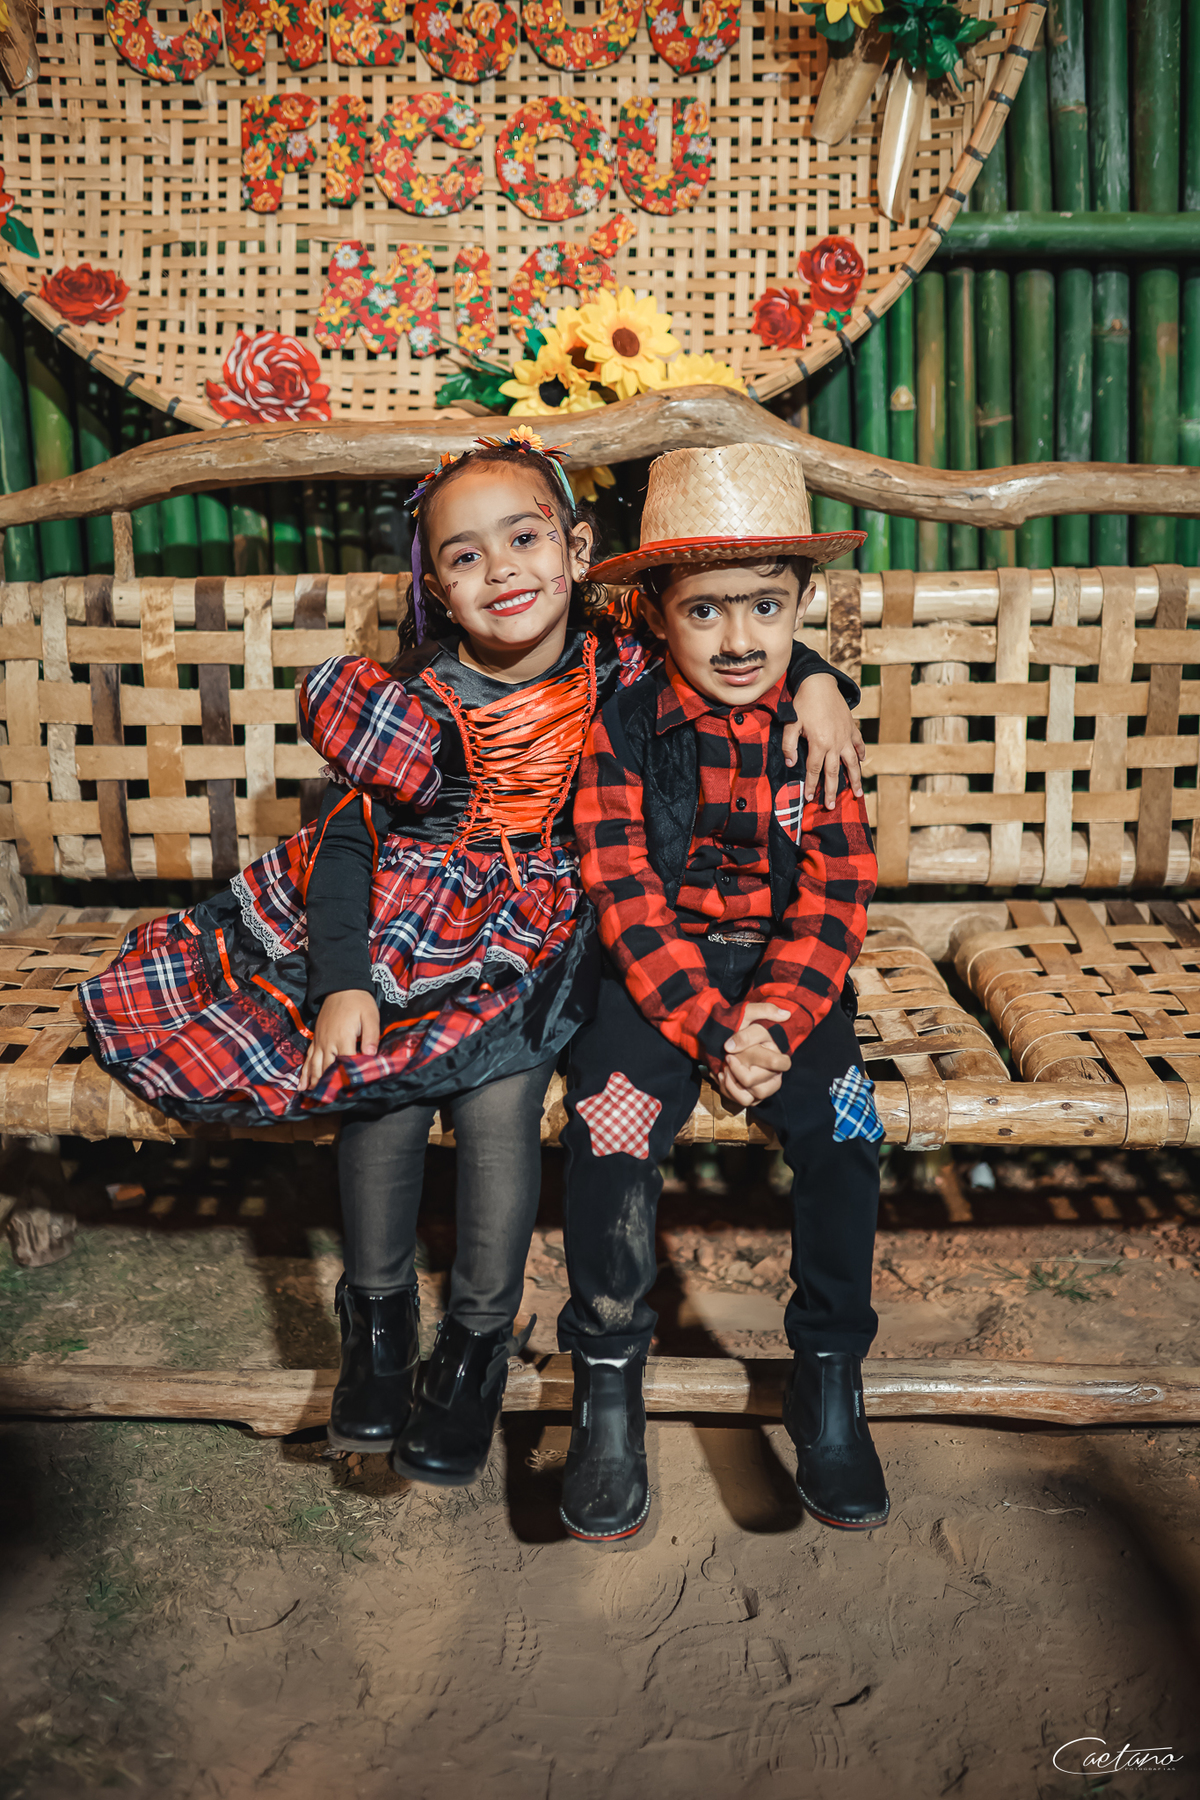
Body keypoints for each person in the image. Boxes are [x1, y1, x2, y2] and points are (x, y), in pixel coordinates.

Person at [79, 428, 863, 1489]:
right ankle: (377, 1332)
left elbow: (730, 625)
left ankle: (477, 1346)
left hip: (534, 939)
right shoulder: (413, 699)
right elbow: (346, 842)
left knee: (501, 1101)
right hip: (401, 933)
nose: (501, 570)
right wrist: (343, 982)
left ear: (578, 552)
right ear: (439, 590)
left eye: (524, 538)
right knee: (380, 1093)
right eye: (465, 555)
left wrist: (818, 680)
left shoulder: (623, 663)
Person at [555, 442, 887, 1545]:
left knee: (849, 1127)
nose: (740, 638)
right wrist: (712, 1030)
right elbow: (622, 893)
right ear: (657, 613)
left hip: (788, 980)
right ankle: (608, 1382)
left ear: (802, 606)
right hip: (659, 976)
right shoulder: (623, 729)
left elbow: (838, 890)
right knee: (609, 1128)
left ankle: (828, 1372)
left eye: (766, 608)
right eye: (705, 611)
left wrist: (777, 1020)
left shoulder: (816, 729)